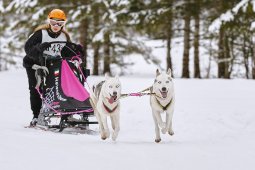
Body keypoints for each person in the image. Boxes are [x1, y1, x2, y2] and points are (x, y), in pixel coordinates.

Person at [23, 9, 72, 126]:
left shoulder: (64, 36)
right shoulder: (40, 33)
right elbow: (27, 48)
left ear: (64, 24)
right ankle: (36, 116)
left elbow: (67, 52)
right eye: (53, 22)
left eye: (60, 24)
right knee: (36, 88)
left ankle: (64, 111)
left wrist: (76, 52)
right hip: (34, 64)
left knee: (57, 87)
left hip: (51, 64)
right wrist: (39, 48)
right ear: (49, 21)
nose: (56, 26)